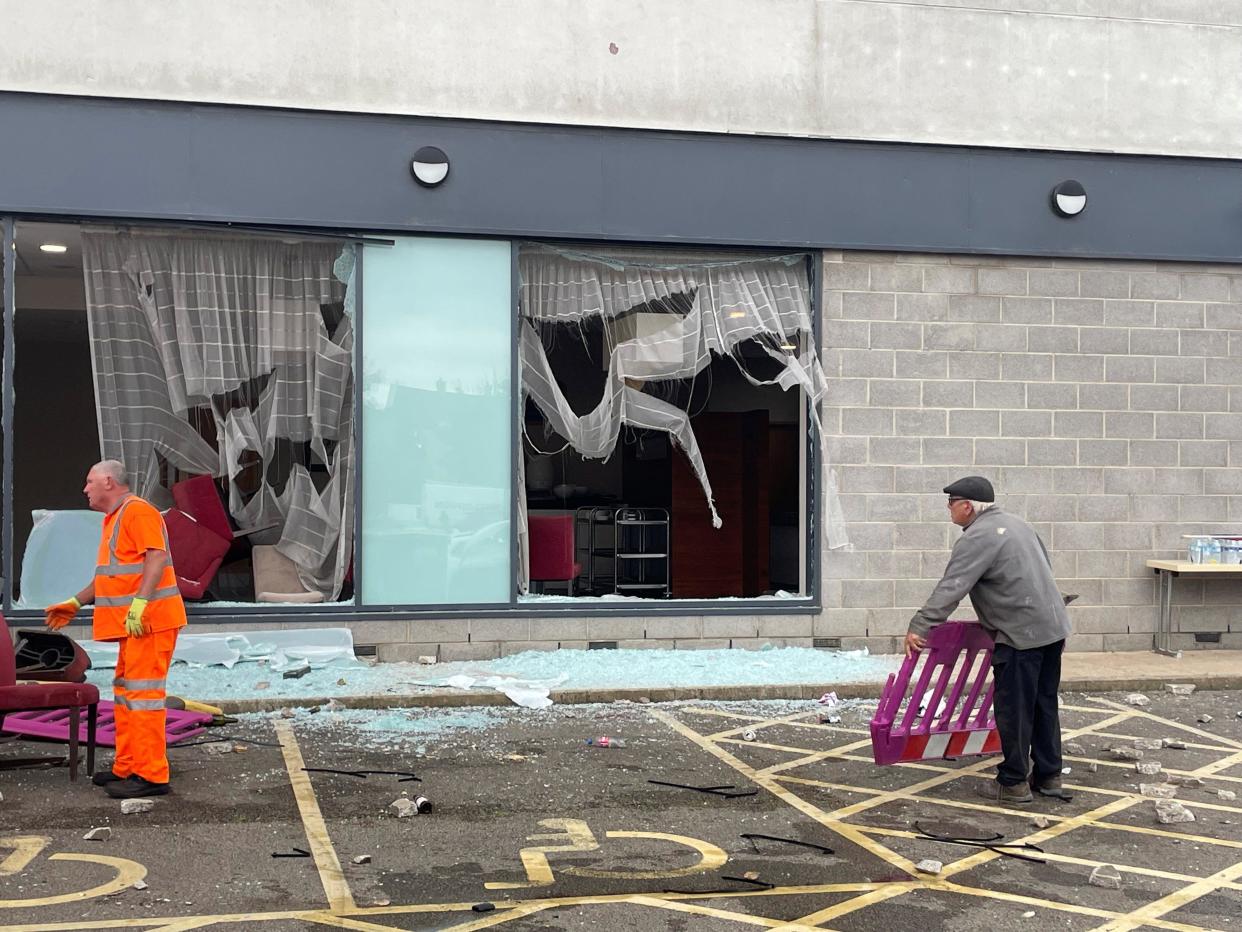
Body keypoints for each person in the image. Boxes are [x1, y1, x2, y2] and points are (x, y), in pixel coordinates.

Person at [904, 475, 1072, 805]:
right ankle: (1050, 776)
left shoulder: (977, 537)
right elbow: (1044, 570)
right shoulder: (1018, 524)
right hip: (1052, 628)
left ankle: (1012, 783)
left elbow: (952, 587)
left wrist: (920, 625)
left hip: (1020, 634)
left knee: (1014, 710)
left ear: (967, 506)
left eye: (950, 503)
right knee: (1043, 703)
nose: (949, 510)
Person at [44, 460, 187, 799]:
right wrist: (76, 603)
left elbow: (157, 557)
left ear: (108, 482)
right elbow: (108, 575)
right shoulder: (116, 518)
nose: (85, 488)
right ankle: (129, 766)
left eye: (89, 481)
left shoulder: (137, 512)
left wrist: (140, 604)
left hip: (149, 623)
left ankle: (151, 775)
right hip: (136, 627)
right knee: (126, 695)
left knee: (143, 698)